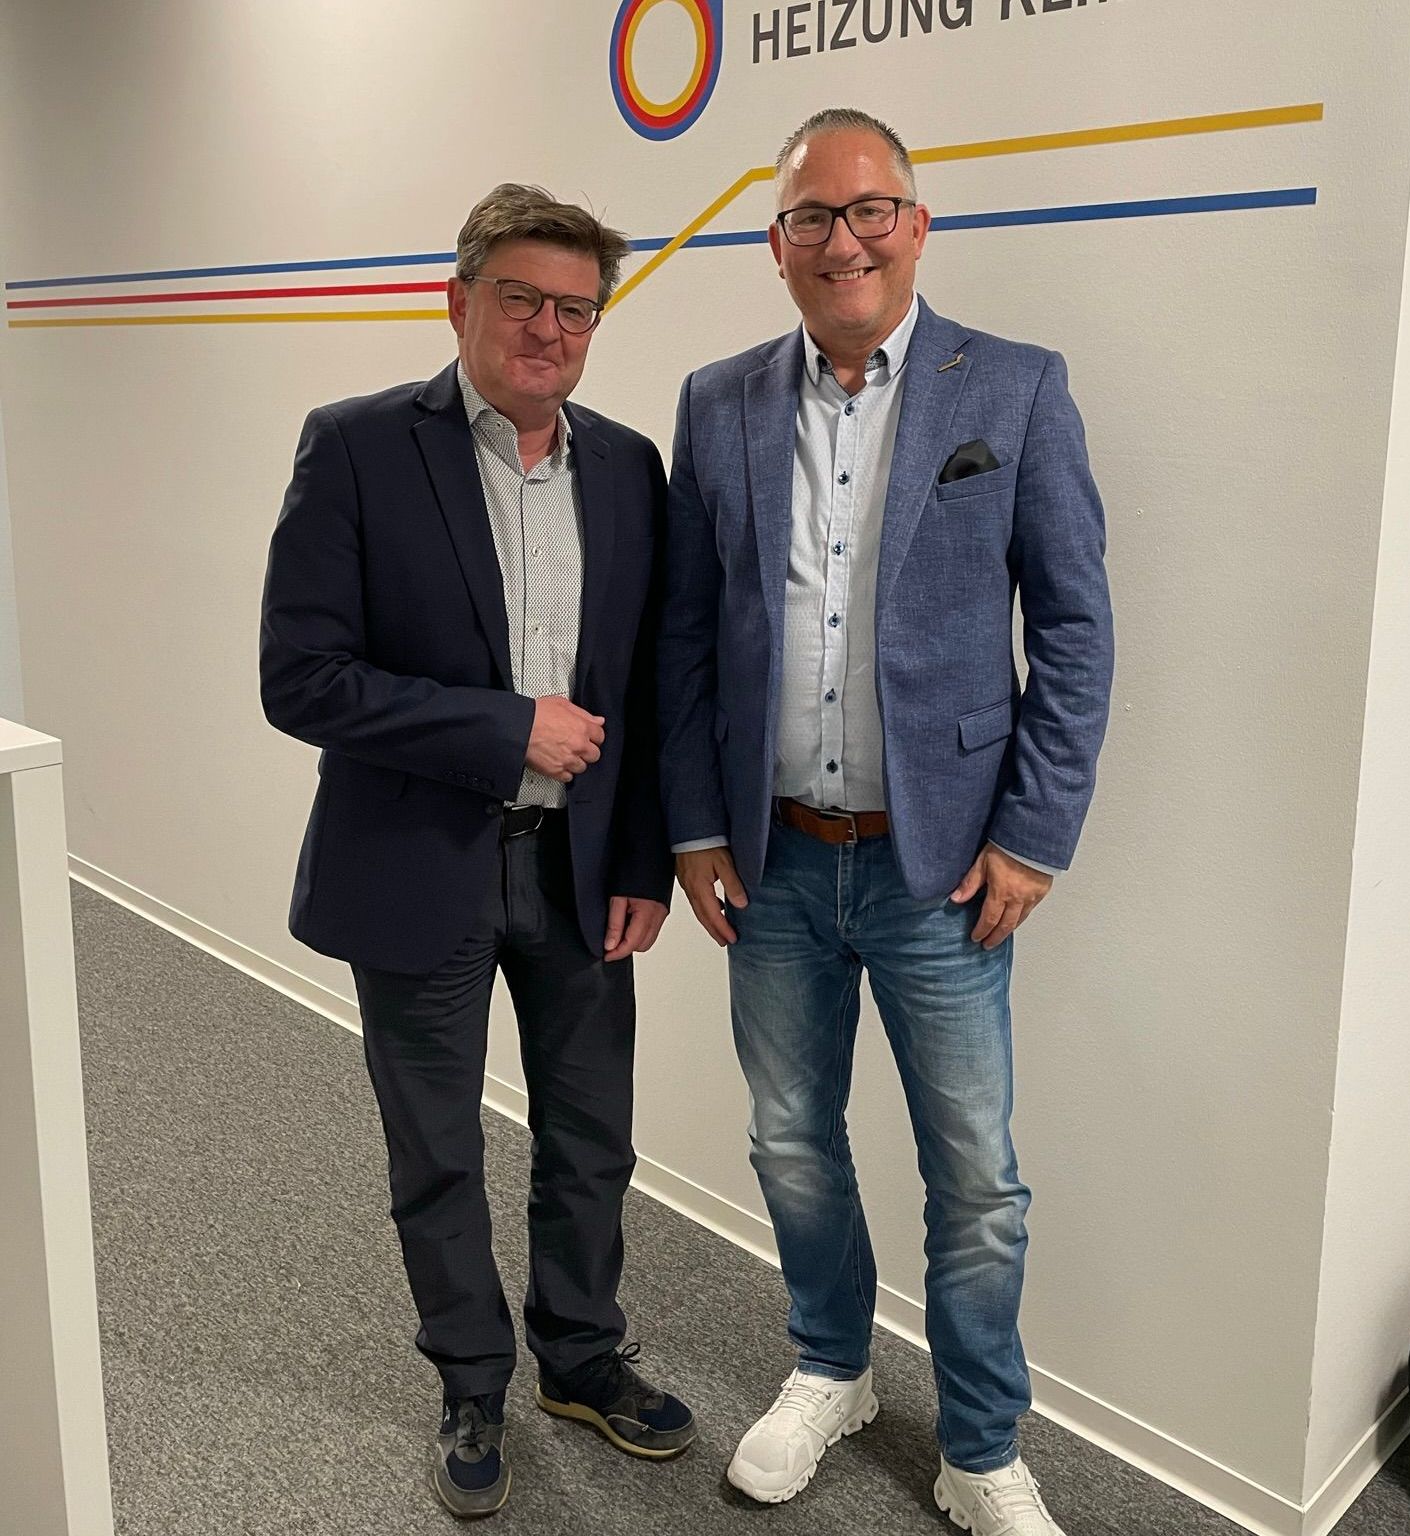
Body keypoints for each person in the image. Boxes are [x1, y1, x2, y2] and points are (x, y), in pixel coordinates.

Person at [657, 109, 1113, 1536]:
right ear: (776, 242)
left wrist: (1034, 833)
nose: (842, 239)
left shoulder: (1016, 389)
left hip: (944, 872)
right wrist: (692, 826)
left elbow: (1076, 629)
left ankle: (980, 1448)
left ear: (916, 227)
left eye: (869, 211)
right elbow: (684, 636)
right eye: (812, 216)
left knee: (977, 1180)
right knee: (791, 1142)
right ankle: (832, 1366)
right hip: (773, 859)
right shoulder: (716, 401)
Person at [261, 183, 694, 1519]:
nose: (549, 329)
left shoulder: (627, 467)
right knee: (439, 1149)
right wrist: (507, 727)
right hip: (418, 863)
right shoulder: (356, 447)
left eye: (577, 309)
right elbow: (301, 679)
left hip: (580, 871)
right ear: (458, 301)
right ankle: (470, 1380)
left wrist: (643, 861)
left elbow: (648, 686)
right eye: (522, 299)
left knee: (593, 1139)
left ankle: (580, 1355)